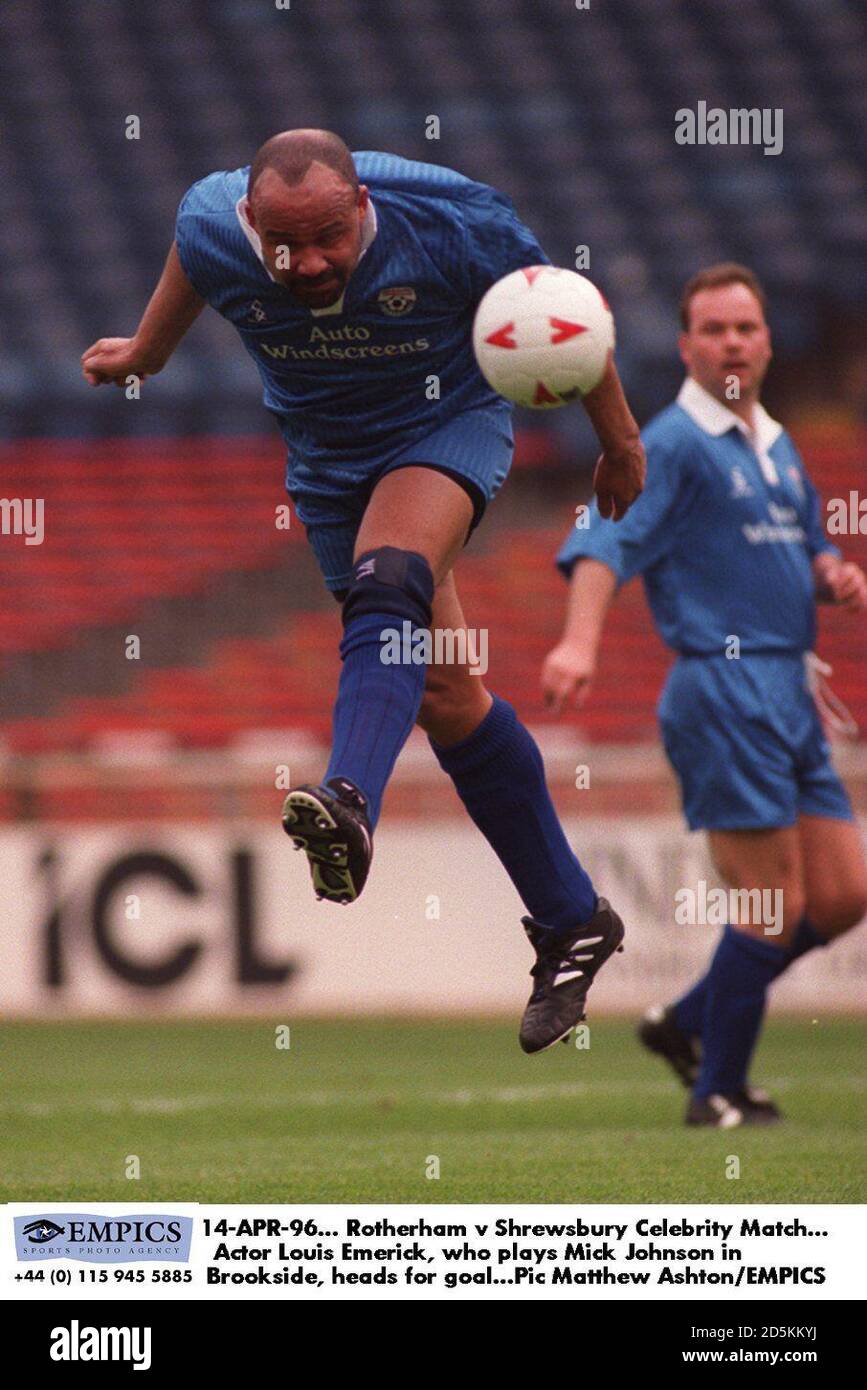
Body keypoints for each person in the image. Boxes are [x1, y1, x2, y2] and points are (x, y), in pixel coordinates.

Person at [82, 128, 646, 1052]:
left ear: (362, 209)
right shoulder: (210, 221)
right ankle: (571, 920)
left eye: (327, 241)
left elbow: (564, 316)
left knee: (392, 583)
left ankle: (348, 799)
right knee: (443, 691)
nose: (305, 263)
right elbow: (191, 255)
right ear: (250, 219)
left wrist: (619, 443)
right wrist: (146, 353)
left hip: (445, 428)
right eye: (282, 245)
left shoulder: (455, 219)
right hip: (327, 462)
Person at [545, 263, 867, 1124]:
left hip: (788, 690)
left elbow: (801, 546)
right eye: (714, 329)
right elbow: (603, 540)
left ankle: (683, 1022)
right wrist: (579, 640)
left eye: (747, 328)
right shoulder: (673, 445)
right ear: (685, 345)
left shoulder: (774, 439)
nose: (732, 342)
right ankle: (714, 1088)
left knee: (842, 896)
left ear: (766, 342)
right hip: (722, 692)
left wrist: (828, 567)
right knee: (770, 909)